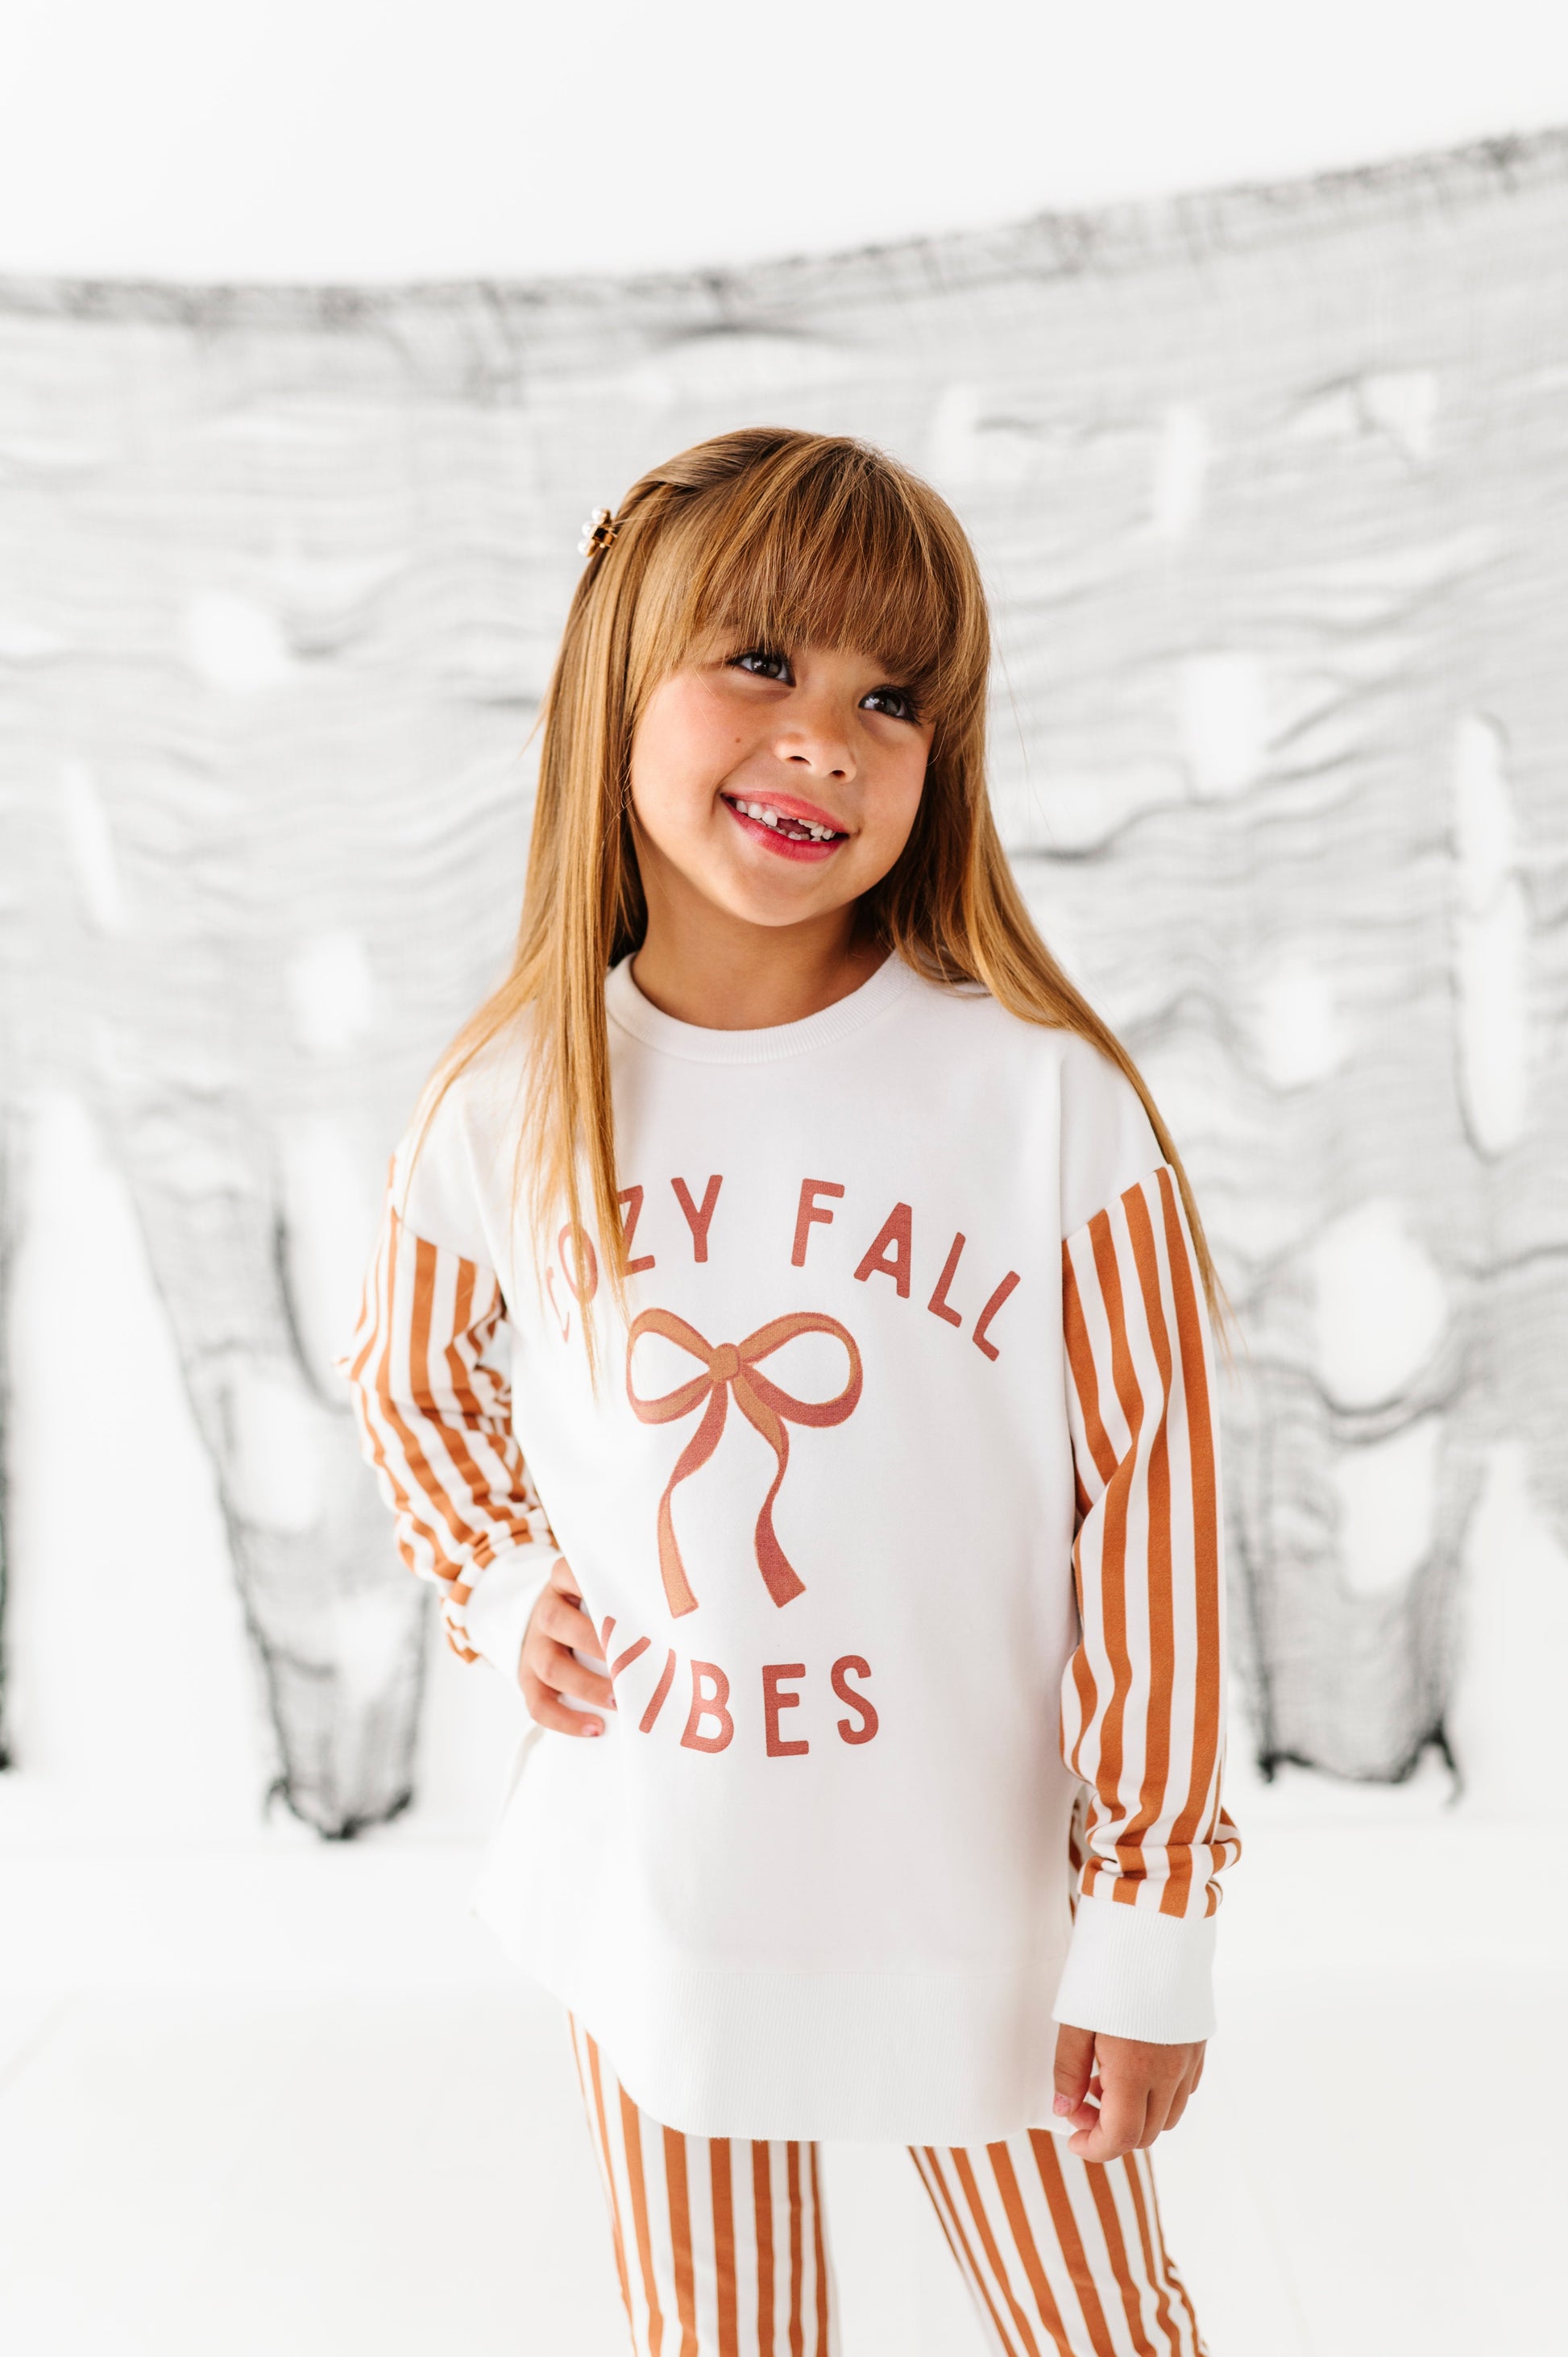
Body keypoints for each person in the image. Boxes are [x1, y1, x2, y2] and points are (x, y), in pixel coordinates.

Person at [340, 427, 1240, 2356]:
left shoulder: (1042, 1099)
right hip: (656, 1882)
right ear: (618, 678)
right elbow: (408, 1381)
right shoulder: (508, 1098)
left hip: (976, 1897)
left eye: (890, 696)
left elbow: (1152, 1507)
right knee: (713, 2328)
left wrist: (1152, 1913)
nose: (825, 738)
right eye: (760, 660)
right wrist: (502, 1579)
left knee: (1101, 2323)